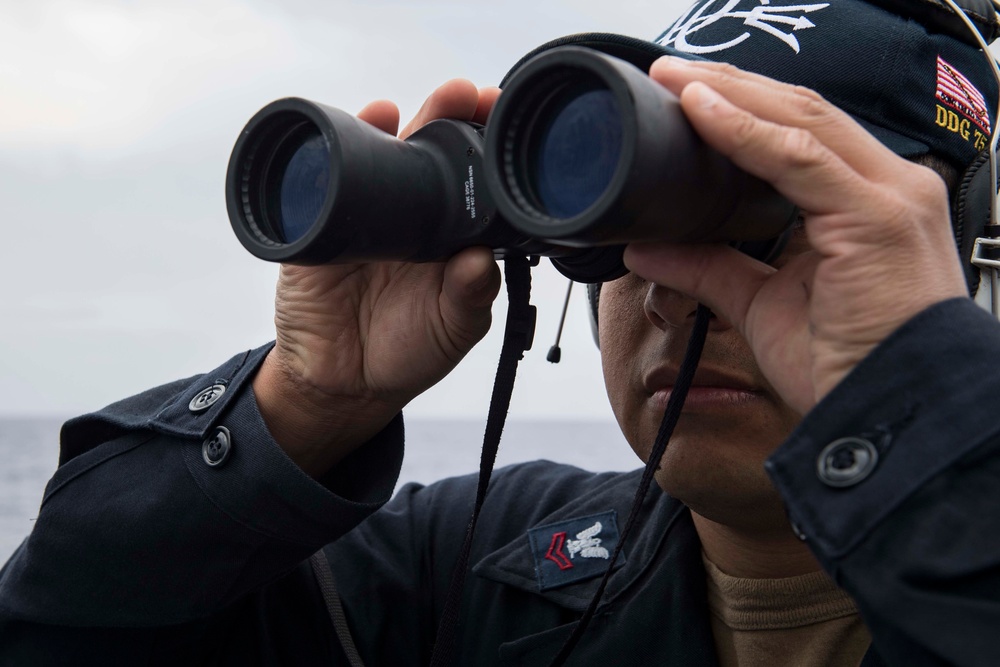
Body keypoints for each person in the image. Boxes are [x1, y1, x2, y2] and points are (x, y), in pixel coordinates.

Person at [3, 0, 1000, 664]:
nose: (676, 288)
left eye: (764, 216)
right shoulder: (477, 564)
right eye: (635, 220)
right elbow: (53, 632)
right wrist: (302, 405)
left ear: (941, 265)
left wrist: (928, 416)